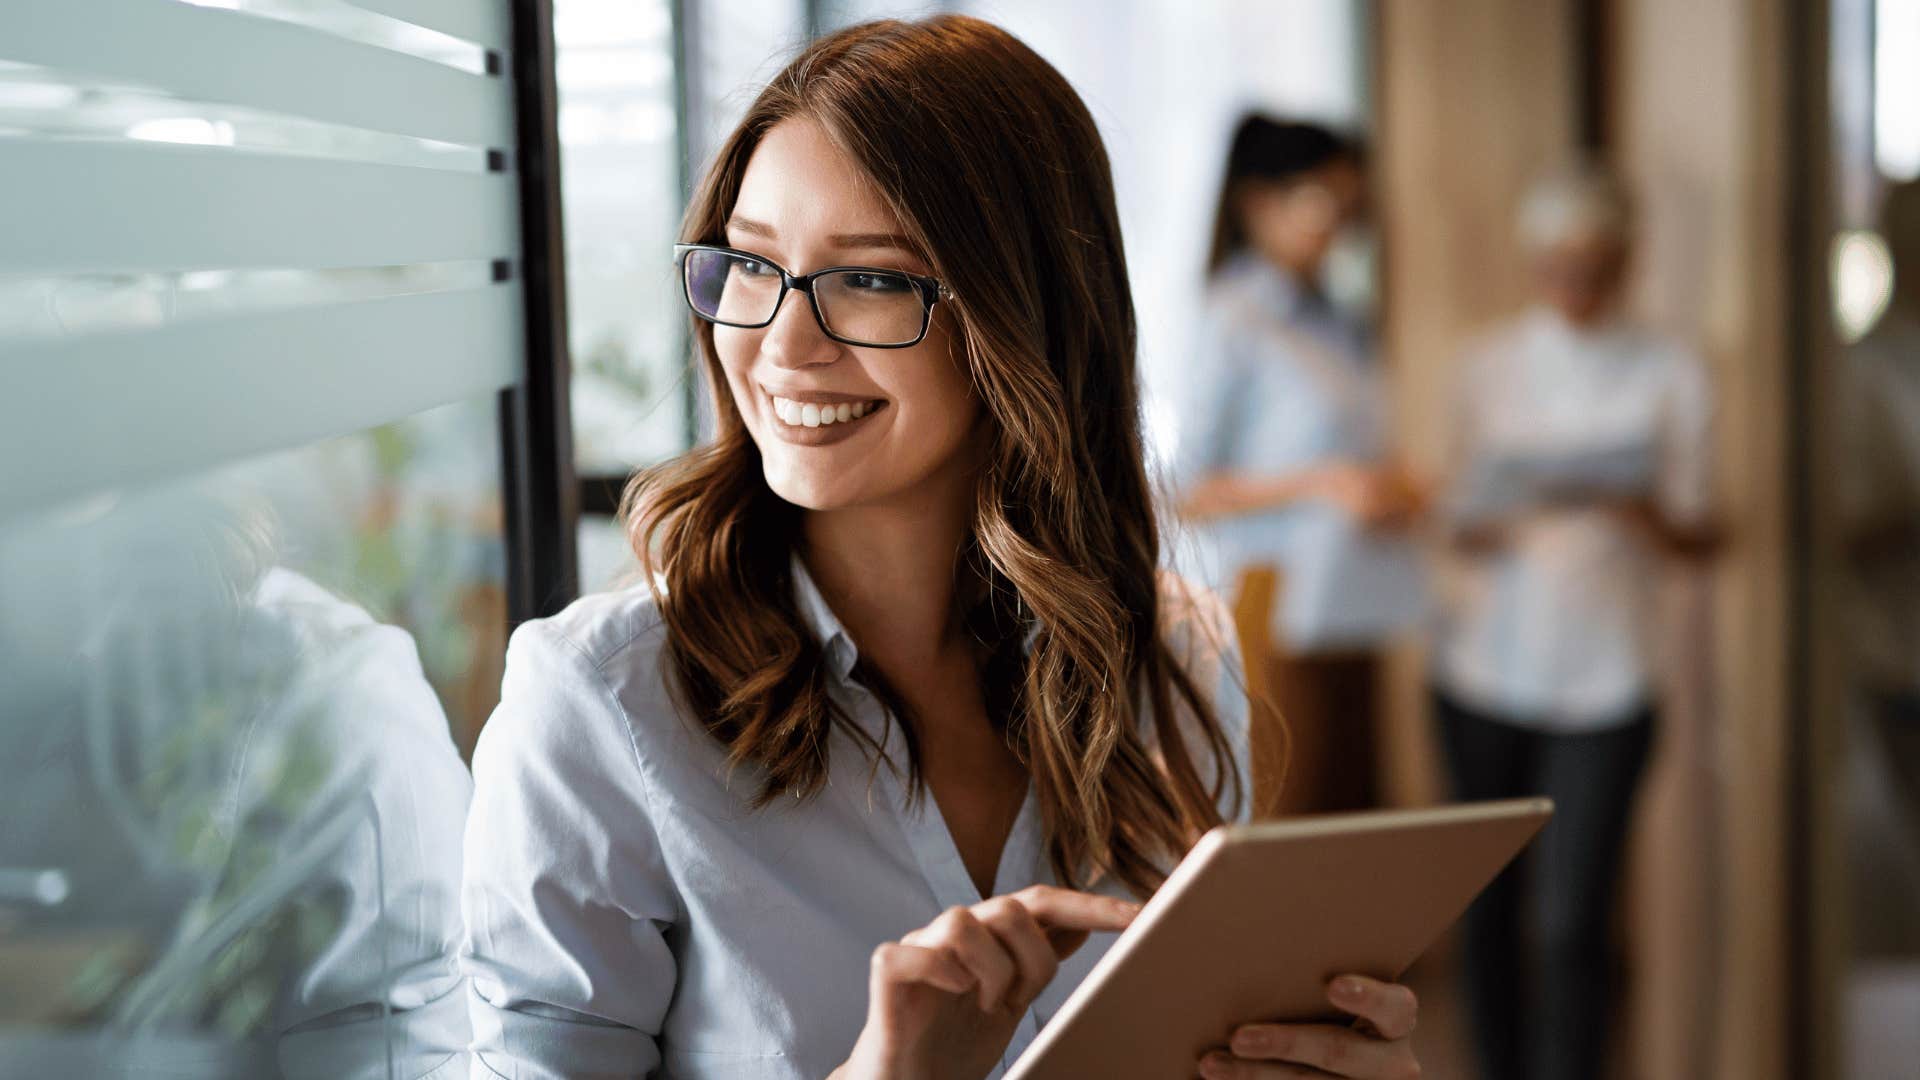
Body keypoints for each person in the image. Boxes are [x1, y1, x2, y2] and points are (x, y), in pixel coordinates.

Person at [459, 17, 1422, 1080]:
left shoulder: (1174, 666)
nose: (781, 344)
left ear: (1027, 319)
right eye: (749, 262)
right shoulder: (602, 707)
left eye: (869, 280)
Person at [1431, 165, 1718, 1080]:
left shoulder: (1672, 368)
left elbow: (1706, 530)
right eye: (1559, 261)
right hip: (1485, 670)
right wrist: (1492, 509)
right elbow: (1447, 517)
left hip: (1613, 677)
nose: (1577, 280)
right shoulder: (1484, 367)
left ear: (1628, 260)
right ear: (1533, 262)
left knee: (1572, 920)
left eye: (1597, 261)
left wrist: (1642, 513)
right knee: (1491, 908)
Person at [1178, 115, 1421, 814]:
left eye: (1351, 205)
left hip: (1355, 591)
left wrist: (1390, 486)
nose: (1339, 224)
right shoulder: (1236, 316)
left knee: (1354, 812)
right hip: (1270, 596)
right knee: (1287, 812)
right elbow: (1187, 488)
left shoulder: (1337, 320)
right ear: (1259, 202)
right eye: (1323, 200)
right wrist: (1325, 483)